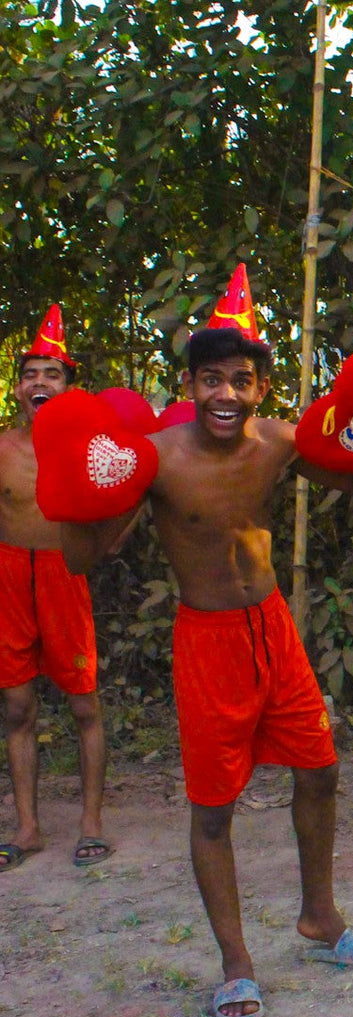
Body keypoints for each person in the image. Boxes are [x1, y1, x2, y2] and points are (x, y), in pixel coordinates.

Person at [60, 316, 353, 1017]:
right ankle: (236, 964)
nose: (226, 394)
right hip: (206, 641)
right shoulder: (155, 458)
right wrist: (71, 493)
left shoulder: (279, 441)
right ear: (189, 385)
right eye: (212, 379)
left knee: (320, 770)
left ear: (261, 388)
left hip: (274, 629)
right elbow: (84, 556)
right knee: (213, 810)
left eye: (241, 381)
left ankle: (320, 916)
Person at [0, 305, 112, 872]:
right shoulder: (2, 448)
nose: (39, 381)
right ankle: (27, 828)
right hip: (9, 578)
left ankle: (91, 823)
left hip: (63, 575)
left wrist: (98, 549)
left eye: (52, 373)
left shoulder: (90, 447)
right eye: (30, 374)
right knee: (17, 707)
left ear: (69, 386)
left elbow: (122, 505)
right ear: (18, 389)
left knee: (83, 704)